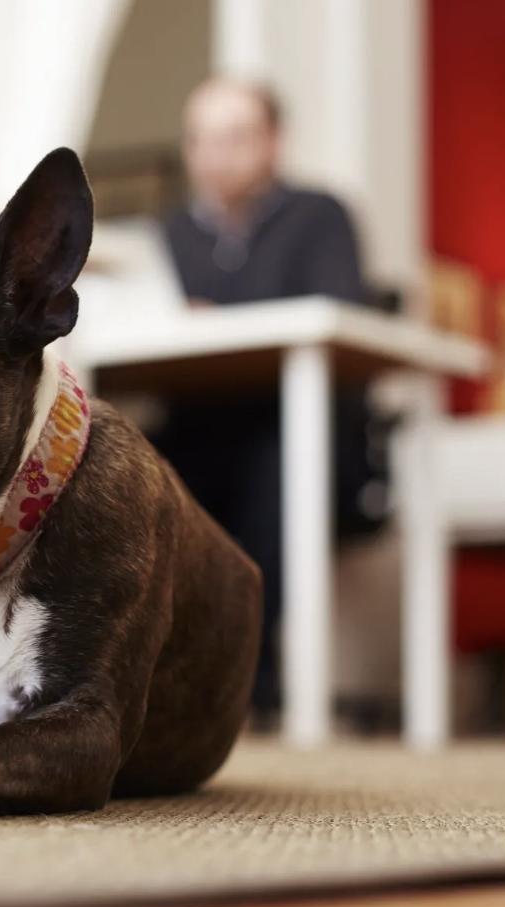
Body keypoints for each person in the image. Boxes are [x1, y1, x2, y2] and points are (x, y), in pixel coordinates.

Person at [153, 76, 378, 727]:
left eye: (236, 136)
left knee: (275, 467)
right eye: (203, 139)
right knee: (124, 467)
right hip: (198, 429)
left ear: (273, 142)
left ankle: (258, 683)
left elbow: (336, 313)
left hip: (301, 434)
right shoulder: (169, 236)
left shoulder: (320, 216)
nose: (217, 154)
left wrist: (214, 317)